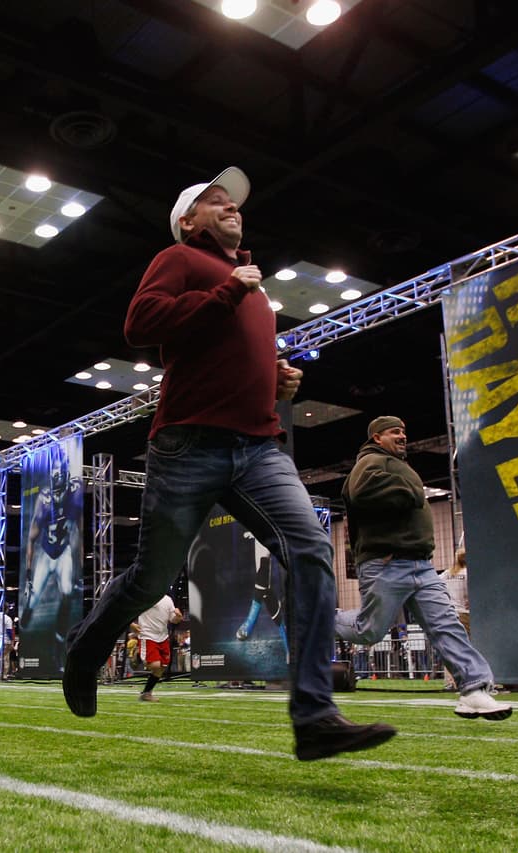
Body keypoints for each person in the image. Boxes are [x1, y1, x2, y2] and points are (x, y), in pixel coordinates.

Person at [62, 166, 396, 761]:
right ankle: (85, 651)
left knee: (310, 549)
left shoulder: (253, 288)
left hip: (258, 446)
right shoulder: (181, 259)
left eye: (234, 201)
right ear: (188, 220)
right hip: (188, 444)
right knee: (150, 578)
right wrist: (228, 291)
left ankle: (315, 715)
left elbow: (224, 354)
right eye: (215, 201)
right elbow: (141, 324)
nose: (231, 206)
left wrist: (275, 378)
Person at [335, 416, 511, 721]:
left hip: (420, 564)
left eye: (404, 431)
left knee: (447, 625)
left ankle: (473, 689)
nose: (402, 436)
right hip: (387, 562)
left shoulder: (394, 463)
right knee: (369, 631)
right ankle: (319, 617)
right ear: (377, 437)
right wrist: (413, 490)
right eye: (394, 432)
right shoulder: (370, 461)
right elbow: (360, 492)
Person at [21, 450, 84, 664]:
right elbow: (31, 538)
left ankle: (59, 643)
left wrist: (79, 565)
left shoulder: (74, 492)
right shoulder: (44, 499)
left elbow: (79, 532)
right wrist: (28, 571)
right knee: (33, 598)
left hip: (64, 551)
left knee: (67, 593)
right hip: (46, 553)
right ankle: (27, 615)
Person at [135, 595, 182, 703]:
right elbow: (130, 611)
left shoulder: (168, 599)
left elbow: (173, 620)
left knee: (161, 668)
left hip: (163, 637)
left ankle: (146, 693)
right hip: (147, 635)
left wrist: (178, 617)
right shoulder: (146, 595)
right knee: (155, 665)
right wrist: (131, 624)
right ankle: (138, 655)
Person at [441, 550, 470, 690]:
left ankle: (450, 681)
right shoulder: (468, 574)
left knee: (451, 648)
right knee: (474, 647)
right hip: (465, 614)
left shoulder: (445, 574)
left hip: (449, 613)